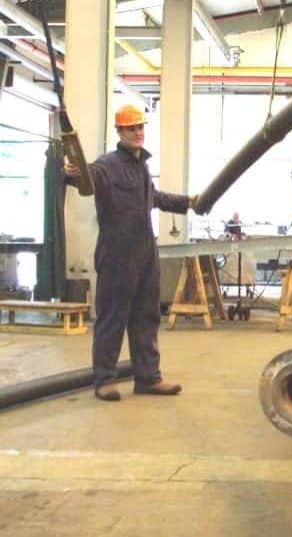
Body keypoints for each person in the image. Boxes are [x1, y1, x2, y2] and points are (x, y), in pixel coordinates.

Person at [64, 104, 196, 402]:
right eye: (131, 128)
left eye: (140, 127)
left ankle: (148, 378)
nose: (137, 133)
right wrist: (73, 173)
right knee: (113, 317)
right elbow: (87, 178)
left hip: (145, 253)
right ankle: (104, 380)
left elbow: (155, 198)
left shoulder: (142, 166)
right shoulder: (106, 165)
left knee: (146, 317)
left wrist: (188, 202)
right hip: (116, 255)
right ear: (119, 132)